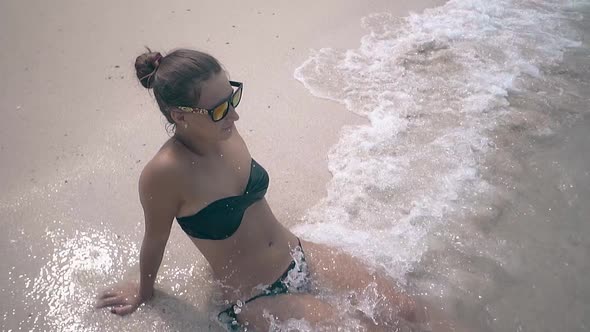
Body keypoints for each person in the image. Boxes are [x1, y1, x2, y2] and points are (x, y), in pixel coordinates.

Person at [95, 48, 447, 331]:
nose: (234, 116)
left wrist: (220, 114)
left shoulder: (225, 131)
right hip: (255, 296)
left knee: (408, 309)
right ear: (180, 116)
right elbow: (155, 239)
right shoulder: (164, 174)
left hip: (298, 255)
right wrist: (143, 291)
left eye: (232, 98)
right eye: (219, 109)